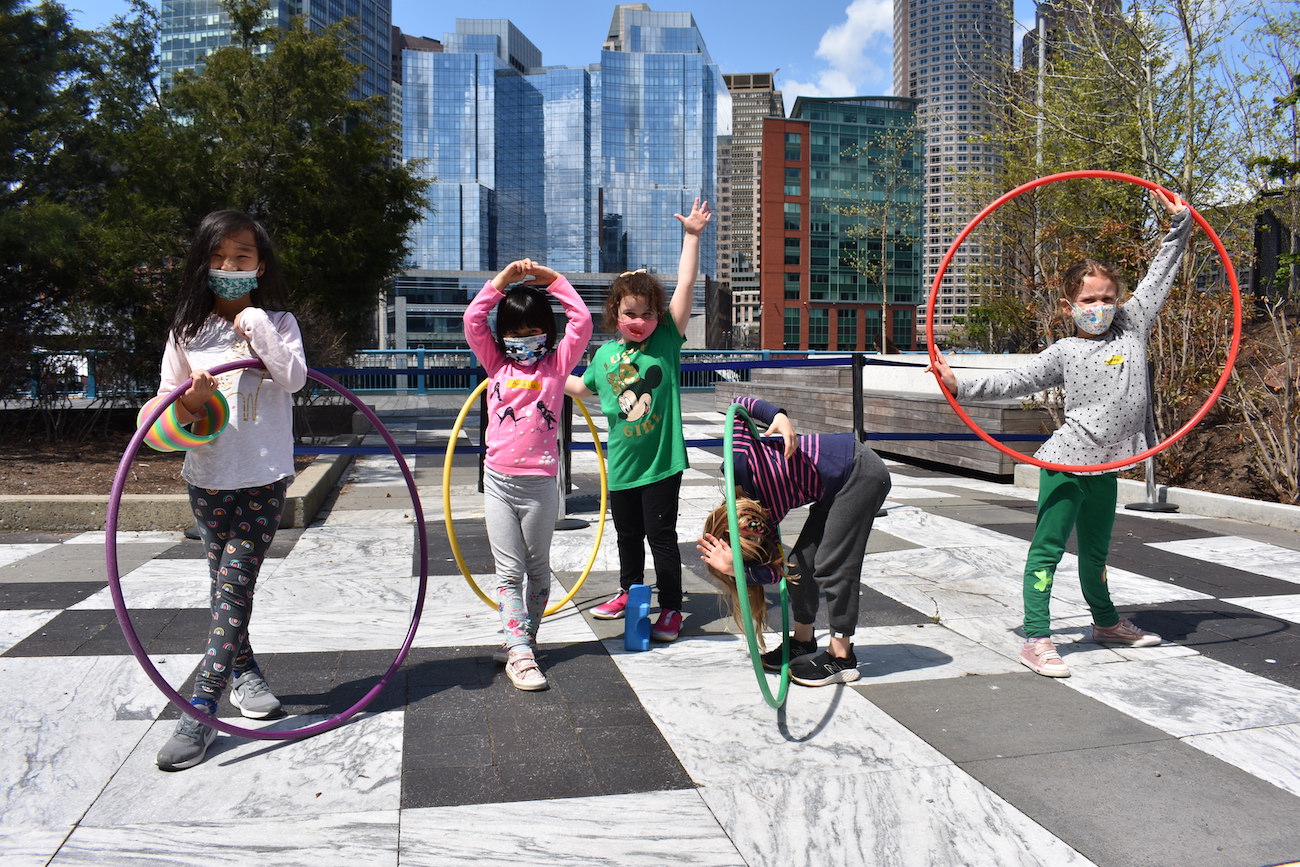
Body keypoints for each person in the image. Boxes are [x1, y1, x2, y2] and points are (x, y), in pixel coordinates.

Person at [928, 188, 1191, 678]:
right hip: (1067, 464)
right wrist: (959, 382)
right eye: (1088, 299)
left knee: (1096, 553)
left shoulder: (1132, 328)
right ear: (1071, 305)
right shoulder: (1065, 350)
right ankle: (1037, 636)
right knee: (1047, 550)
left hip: (1107, 467)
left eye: (1107, 298)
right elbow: (1016, 380)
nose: (1099, 306)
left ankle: (1107, 623)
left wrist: (1179, 225)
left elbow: (1159, 277)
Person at [152, 210, 307, 770]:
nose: (228, 267)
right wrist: (191, 398)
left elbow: (293, 378)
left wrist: (257, 326)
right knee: (224, 587)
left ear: (259, 265)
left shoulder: (279, 321)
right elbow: (165, 407)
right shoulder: (187, 331)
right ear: (203, 264)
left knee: (235, 586)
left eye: (241, 257)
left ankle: (201, 707)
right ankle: (244, 672)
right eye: (217, 259)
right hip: (208, 476)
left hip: (264, 477)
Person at [565, 198, 711, 643]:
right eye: (630, 313)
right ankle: (629, 591)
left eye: (647, 313)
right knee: (627, 535)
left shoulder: (666, 340)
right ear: (615, 314)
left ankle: (671, 607)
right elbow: (581, 389)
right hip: (623, 464)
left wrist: (692, 236)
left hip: (661, 463)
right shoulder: (605, 355)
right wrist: (539, 374)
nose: (640, 321)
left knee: (660, 536)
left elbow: (685, 284)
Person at [696, 397, 892, 686]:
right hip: (831, 491)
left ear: (729, 524)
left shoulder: (737, 464)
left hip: (860, 471)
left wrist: (779, 416)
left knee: (833, 564)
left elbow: (737, 406)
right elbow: (780, 571)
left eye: (747, 534)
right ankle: (803, 640)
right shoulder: (767, 516)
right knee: (800, 565)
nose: (756, 531)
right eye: (754, 542)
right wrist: (738, 571)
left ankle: (842, 657)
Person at [463, 258, 592, 691]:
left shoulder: (555, 368)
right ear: (503, 337)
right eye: (514, 334)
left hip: (540, 485)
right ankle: (518, 651)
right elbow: (473, 318)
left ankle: (524, 640)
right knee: (508, 571)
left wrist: (554, 281)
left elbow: (583, 319)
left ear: (547, 334)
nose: (523, 341)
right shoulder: (496, 365)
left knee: (538, 571)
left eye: (531, 332)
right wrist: (500, 283)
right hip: (498, 482)